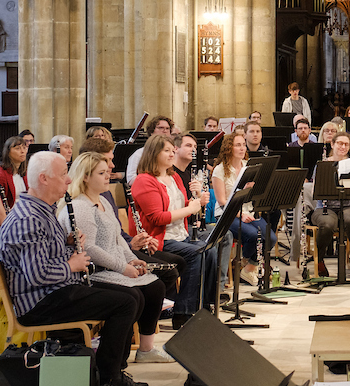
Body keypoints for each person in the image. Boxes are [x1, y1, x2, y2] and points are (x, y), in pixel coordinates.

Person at [0, 152, 145, 386]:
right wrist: (72, 263)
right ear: (43, 179)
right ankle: (105, 383)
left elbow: (44, 256)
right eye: (63, 174)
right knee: (124, 303)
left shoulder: (42, 210)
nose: (68, 181)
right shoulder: (29, 218)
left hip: (56, 291)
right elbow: (37, 275)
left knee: (133, 295)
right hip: (40, 303)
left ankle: (115, 373)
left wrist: (66, 247)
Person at [62, 152, 170, 363]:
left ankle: (145, 350)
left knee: (155, 286)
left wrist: (131, 259)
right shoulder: (81, 206)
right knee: (134, 296)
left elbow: (118, 238)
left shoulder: (102, 200)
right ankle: (116, 360)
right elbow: (90, 248)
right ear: (85, 177)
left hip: (114, 265)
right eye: (101, 173)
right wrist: (123, 268)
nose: (107, 177)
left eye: (107, 172)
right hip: (96, 272)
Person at [132, 135, 216, 326]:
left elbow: (179, 206)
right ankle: (183, 313)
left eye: (172, 150)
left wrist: (196, 200)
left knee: (210, 250)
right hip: (159, 239)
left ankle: (204, 306)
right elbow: (157, 217)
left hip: (180, 235)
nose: (172, 154)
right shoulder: (144, 180)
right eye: (167, 151)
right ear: (154, 153)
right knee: (197, 254)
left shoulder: (174, 176)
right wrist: (190, 208)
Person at [209, 131, 271, 285]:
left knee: (271, 237)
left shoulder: (248, 166)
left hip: (248, 210)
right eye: (238, 145)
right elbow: (222, 201)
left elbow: (254, 195)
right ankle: (242, 264)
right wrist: (240, 215)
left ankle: (247, 267)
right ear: (229, 148)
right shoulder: (219, 170)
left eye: (243, 144)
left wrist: (252, 189)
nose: (242, 148)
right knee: (252, 235)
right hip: (227, 214)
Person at [310, 132, 350, 278]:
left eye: (346, 144)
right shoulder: (321, 165)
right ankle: (319, 260)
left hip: (349, 206)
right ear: (332, 144)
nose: (343, 147)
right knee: (327, 224)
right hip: (325, 207)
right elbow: (316, 191)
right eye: (340, 143)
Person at [125, 115, 174, 186]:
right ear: (151, 131)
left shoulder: (173, 152)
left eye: (167, 128)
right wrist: (152, 183)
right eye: (161, 128)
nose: (165, 131)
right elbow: (131, 179)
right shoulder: (139, 153)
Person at [0, 135, 29, 205]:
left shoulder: (25, 172)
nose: (22, 151)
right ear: (8, 152)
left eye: (24, 148)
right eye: (18, 148)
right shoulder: (0, 175)